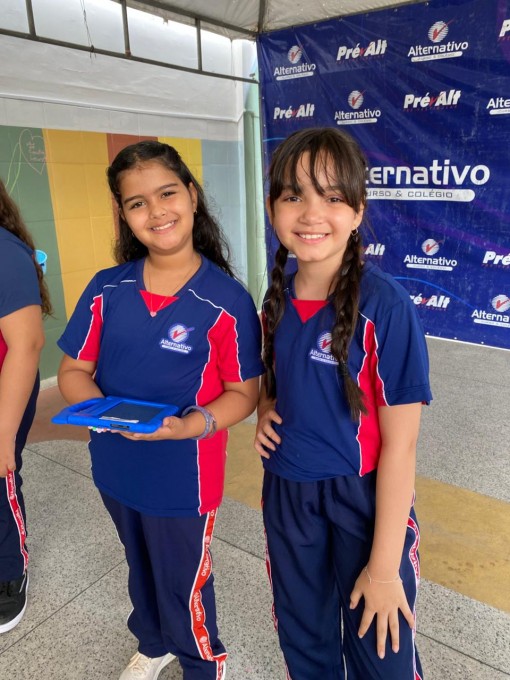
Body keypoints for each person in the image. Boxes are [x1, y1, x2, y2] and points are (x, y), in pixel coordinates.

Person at [57, 140, 263, 680]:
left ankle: (202, 662)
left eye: (167, 193)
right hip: (116, 465)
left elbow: (243, 394)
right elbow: (73, 371)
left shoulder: (226, 302)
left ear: (192, 196)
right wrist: (106, 413)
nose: (156, 211)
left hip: (184, 474)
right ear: (124, 215)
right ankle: (153, 644)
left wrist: (189, 426)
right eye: (137, 203)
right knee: (140, 564)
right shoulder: (107, 289)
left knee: (182, 577)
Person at [254, 127, 432, 680]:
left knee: (382, 649)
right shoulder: (277, 292)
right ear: (272, 207)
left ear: (357, 211)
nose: (311, 213)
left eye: (332, 196)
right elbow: (275, 372)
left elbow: (401, 447)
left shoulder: (387, 307)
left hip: (364, 501)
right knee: (304, 639)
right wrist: (263, 411)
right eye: (293, 195)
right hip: (288, 492)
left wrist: (384, 568)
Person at [0, 179, 51, 633]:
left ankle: (9, 571)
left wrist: (3, 435)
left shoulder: (5, 250)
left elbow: (28, 343)